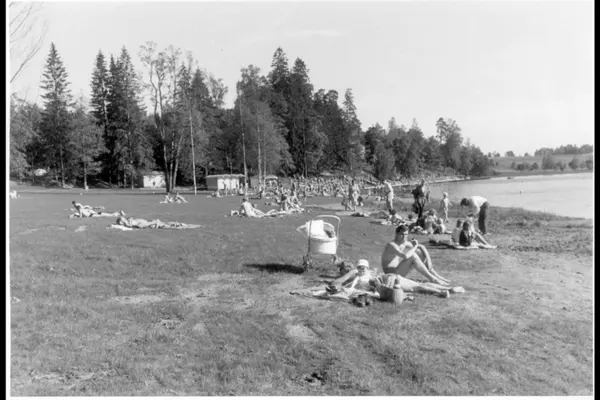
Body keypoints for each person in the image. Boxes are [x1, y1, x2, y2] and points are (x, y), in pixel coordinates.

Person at [380, 225, 450, 285]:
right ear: (396, 234)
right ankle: (433, 279)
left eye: (406, 234)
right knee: (413, 255)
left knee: (419, 252)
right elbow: (405, 256)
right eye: (402, 234)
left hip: (398, 271)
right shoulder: (392, 245)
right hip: (391, 274)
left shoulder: (403, 243)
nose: (404, 237)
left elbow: (421, 246)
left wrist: (428, 260)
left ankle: (434, 274)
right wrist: (415, 246)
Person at [115, 216, 201, 229]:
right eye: (122, 219)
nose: (124, 218)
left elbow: (140, 224)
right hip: (152, 224)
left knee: (169, 223)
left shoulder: (129, 221)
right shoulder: (129, 224)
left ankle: (181, 224)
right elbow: (141, 225)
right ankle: (181, 225)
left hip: (151, 223)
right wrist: (154, 222)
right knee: (169, 225)